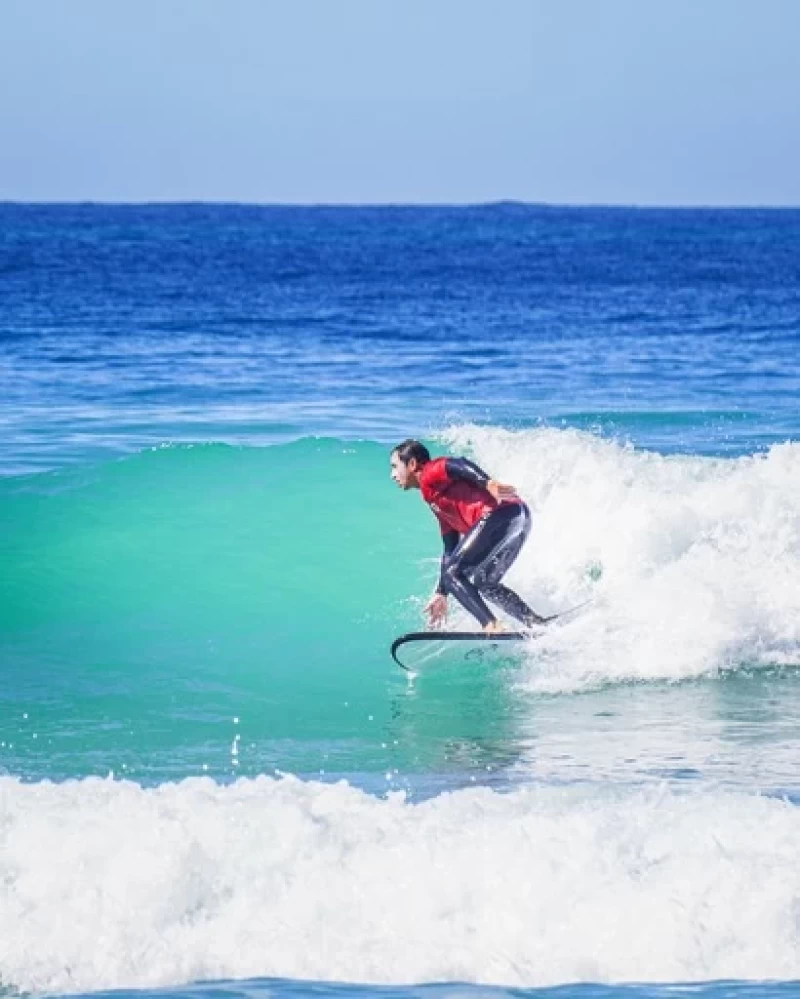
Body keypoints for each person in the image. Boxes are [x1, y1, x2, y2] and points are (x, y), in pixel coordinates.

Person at [390, 439, 546, 633]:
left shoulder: (430, 472)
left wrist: (487, 482)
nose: (392, 475)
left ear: (412, 464)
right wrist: (441, 592)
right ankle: (535, 623)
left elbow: (458, 464)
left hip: (499, 513)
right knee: (485, 583)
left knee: (453, 573)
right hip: (519, 516)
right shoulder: (435, 498)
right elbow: (450, 549)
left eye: (395, 466)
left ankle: (492, 625)